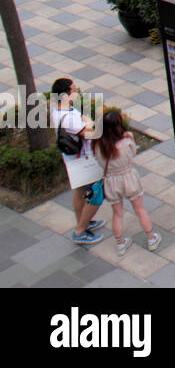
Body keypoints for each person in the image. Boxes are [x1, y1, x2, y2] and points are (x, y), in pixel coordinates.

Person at [87, 106, 160, 256]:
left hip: (111, 180)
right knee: (140, 209)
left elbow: (98, 161)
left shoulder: (97, 145)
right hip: (128, 177)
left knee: (117, 213)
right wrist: (129, 137)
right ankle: (151, 238)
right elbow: (132, 153)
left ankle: (120, 243)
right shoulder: (126, 141)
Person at [53, 78, 103, 245]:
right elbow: (89, 133)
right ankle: (80, 229)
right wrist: (89, 123)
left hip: (76, 158)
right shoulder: (69, 118)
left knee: (81, 191)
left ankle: (84, 221)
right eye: (74, 90)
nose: (77, 92)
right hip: (82, 159)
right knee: (93, 192)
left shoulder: (58, 111)